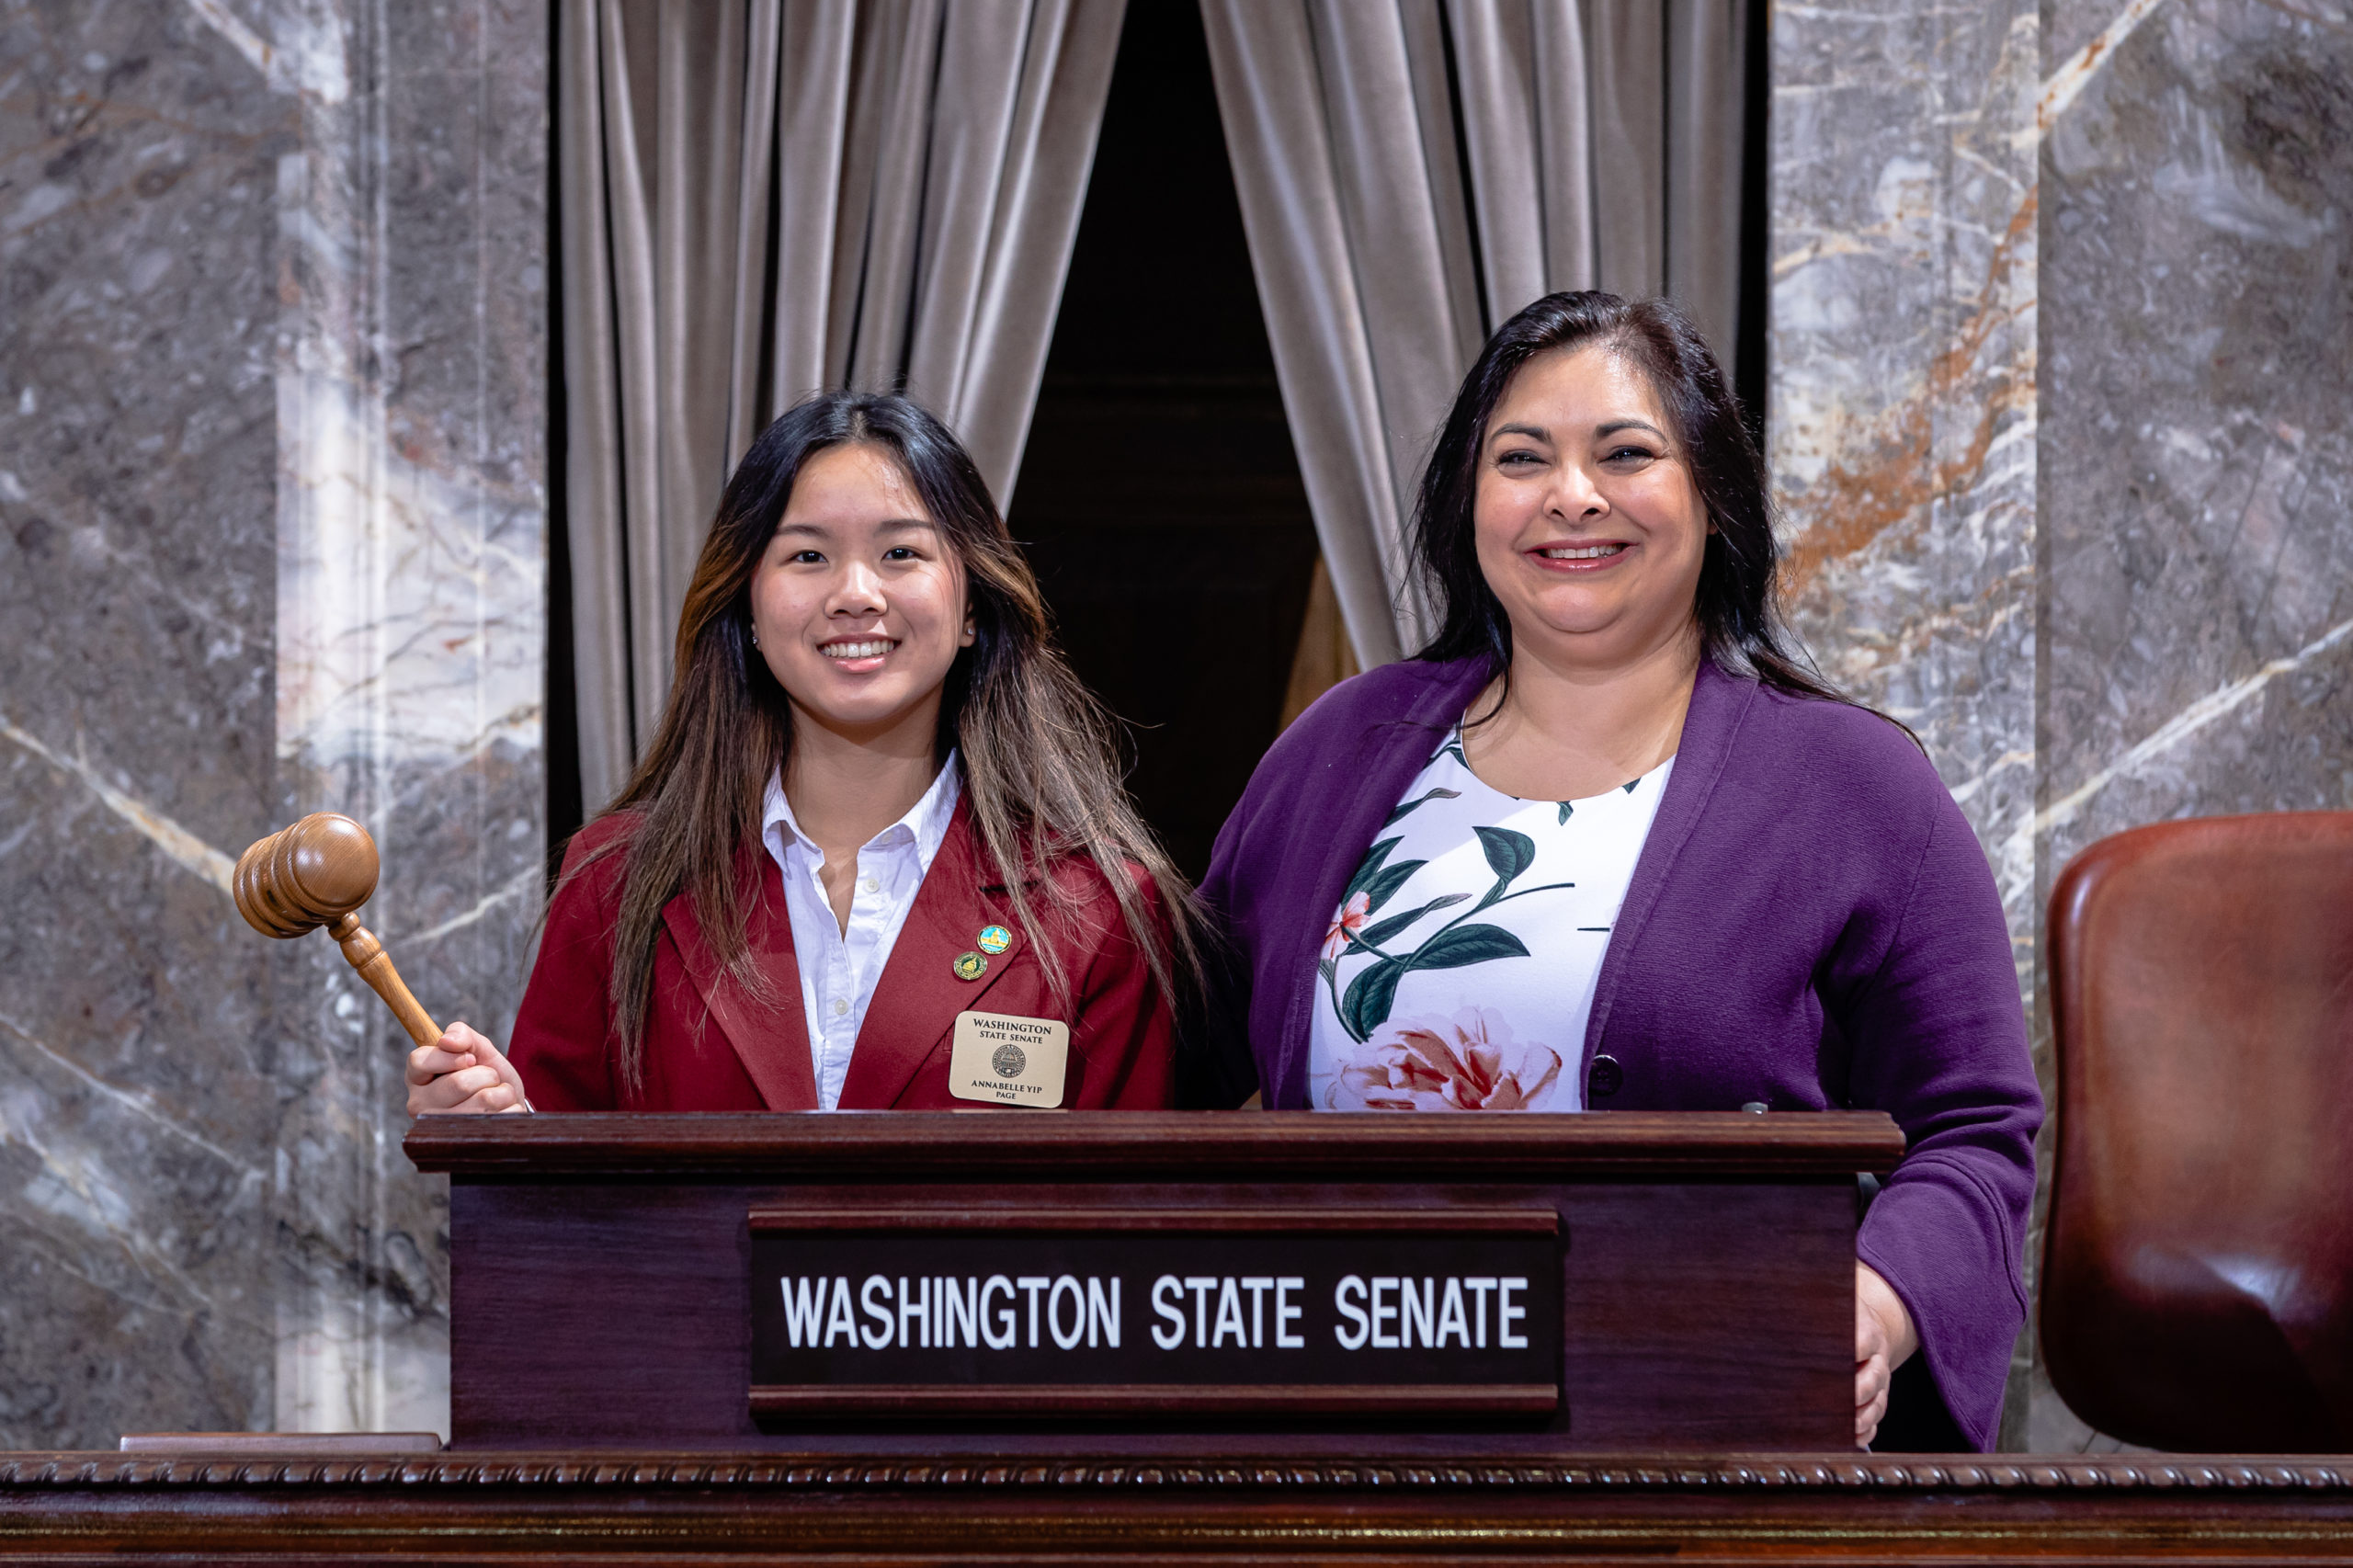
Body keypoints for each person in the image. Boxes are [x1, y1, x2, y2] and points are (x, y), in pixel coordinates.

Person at [1199, 292, 2041, 1452]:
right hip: (1360, 1428)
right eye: (1521, 459)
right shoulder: (1344, 749)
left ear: (1712, 497)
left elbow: (1973, 1130)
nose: (1571, 497)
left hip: (1702, 1427)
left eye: (1626, 454)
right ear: (1468, 501)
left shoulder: (1855, 784)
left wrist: (1876, 1307)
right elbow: (1171, 1056)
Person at [407, 392, 1196, 1114]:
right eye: (808, 556)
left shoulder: (1095, 908)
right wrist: (504, 1137)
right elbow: (552, 1227)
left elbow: (1113, 1245)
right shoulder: (615, 885)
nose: (856, 592)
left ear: (970, 609)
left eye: (902, 554)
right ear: (748, 607)